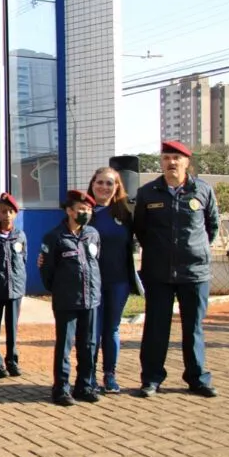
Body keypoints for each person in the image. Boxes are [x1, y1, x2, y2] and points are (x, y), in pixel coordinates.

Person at [134, 141, 220, 398]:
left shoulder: (202, 190)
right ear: (161, 162)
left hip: (194, 273)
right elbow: (141, 229)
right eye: (166, 158)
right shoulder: (148, 193)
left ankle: (197, 379)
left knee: (193, 327)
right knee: (156, 327)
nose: (171, 162)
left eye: (176, 158)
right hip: (158, 273)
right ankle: (151, 379)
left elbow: (211, 227)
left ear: (187, 163)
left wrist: (194, 250)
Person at [40, 190, 102, 406]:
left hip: (91, 298)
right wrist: (59, 289)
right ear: (69, 211)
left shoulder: (93, 234)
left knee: (89, 344)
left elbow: (95, 261)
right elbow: (47, 271)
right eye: (80, 210)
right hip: (67, 300)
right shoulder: (54, 236)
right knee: (65, 346)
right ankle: (61, 389)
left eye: (88, 210)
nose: (85, 213)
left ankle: (85, 385)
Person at [86, 167, 140, 393]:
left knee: (112, 329)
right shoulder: (84, 211)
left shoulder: (125, 214)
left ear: (117, 187)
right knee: (93, 330)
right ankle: (88, 376)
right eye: (100, 182)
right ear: (93, 184)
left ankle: (110, 375)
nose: (104, 187)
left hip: (118, 281)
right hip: (90, 282)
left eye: (110, 183)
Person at [0, 192, 26, 378]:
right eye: (4, 211)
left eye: (10, 211)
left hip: (15, 288)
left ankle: (12, 360)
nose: (7, 215)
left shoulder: (20, 236)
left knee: (12, 327)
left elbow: (23, 259)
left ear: (15, 214)